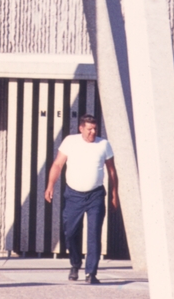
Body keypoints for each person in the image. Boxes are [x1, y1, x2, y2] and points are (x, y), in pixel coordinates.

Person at [44, 114, 118, 284]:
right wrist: (50, 186)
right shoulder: (70, 141)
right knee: (70, 232)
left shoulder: (104, 145)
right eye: (89, 129)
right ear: (81, 129)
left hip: (96, 195)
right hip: (73, 195)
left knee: (94, 234)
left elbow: (112, 172)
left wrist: (115, 194)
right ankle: (75, 263)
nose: (93, 132)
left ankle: (91, 273)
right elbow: (57, 165)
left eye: (95, 129)